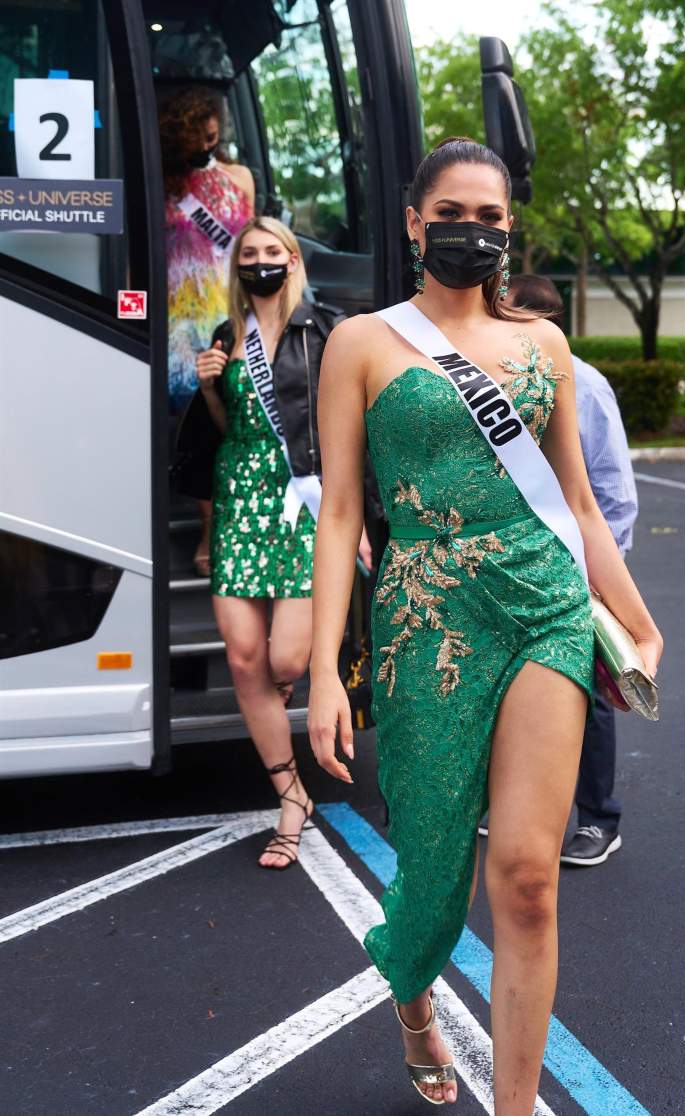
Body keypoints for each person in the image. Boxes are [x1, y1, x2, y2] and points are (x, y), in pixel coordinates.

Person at [307, 136, 662, 1111]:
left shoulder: (543, 346)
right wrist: (329, 673)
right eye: (452, 216)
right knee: (431, 873)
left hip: (540, 608)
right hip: (426, 619)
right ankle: (414, 1000)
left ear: (510, 232)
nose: (471, 233)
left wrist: (631, 615)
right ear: (415, 223)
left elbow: (579, 507)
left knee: (524, 876)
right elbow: (341, 513)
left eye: (490, 220)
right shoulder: (362, 344)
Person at [195, 216, 372, 869]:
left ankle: (285, 704)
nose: (261, 261)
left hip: (303, 504)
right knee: (244, 659)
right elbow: (226, 427)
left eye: (273, 251)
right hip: (240, 498)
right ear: (237, 265)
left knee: (287, 661)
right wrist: (212, 386)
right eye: (251, 253)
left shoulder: (321, 331)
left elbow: (349, 426)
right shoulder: (226, 335)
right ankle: (291, 796)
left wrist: (354, 521)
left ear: (293, 259)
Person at [507, 274, 639, 867]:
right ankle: (519, 809)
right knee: (517, 687)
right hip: (511, 563)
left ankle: (597, 819)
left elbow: (613, 491)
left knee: (588, 690)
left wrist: (603, 577)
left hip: (575, 566)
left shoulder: (584, 386)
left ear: (543, 325)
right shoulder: (490, 380)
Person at [160, 86, 255, 575]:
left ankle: (222, 526)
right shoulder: (164, 184)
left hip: (227, 309)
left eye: (212, 128)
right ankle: (209, 526)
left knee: (229, 412)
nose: (208, 138)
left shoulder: (239, 178)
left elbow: (252, 245)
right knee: (195, 423)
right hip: (178, 314)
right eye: (197, 130)